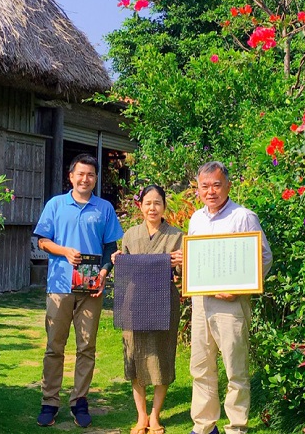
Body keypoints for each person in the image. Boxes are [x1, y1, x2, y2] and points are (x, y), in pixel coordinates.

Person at [34, 154, 124, 428]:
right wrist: (64, 251)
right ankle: (50, 401)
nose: (85, 179)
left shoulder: (104, 208)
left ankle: (80, 400)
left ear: (95, 179)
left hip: (90, 288)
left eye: (91, 175)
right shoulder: (56, 205)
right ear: (71, 176)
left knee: (87, 347)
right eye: (80, 174)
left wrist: (104, 274)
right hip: (60, 286)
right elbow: (41, 241)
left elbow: (110, 246)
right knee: (54, 347)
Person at [187, 161, 272, 434]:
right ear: (198, 189)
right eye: (205, 186)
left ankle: (236, 427)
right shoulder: (196, 219)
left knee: (235, 368)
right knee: (201, 366)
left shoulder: (243, 216)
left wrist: (240, 289)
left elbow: (264, 258)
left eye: (216, 185)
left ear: (228, 186)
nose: (210, 191)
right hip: (201, 301)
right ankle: (204, 425)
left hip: (231, 304)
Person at [111, 185, 184, 434]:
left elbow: (181, 276)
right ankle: (141, 416)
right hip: (135, 302)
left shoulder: (176, 235)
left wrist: (181, 262)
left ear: (164, 206)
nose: (152, 207)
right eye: (148, 203)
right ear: (140, 206)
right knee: (135, 356)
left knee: (162, 357)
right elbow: (127, 270)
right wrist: (117, 260)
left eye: (157, 202)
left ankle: (155, 416)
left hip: (164, 301)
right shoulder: (130, 235)